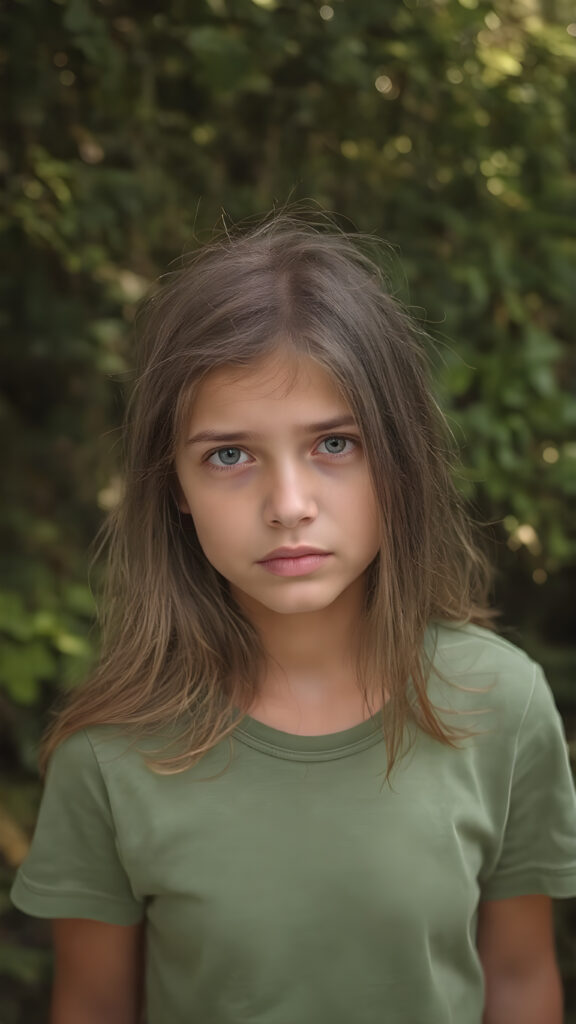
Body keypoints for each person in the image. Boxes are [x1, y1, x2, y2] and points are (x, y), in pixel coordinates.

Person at [10, 215, 576, 1024]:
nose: (288, 506)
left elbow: (520, 981)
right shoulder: (111, 755)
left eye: (335, 444)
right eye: (229, 455)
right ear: (173, 484)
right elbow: (94, 1007)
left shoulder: (501, 706)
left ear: (401, 456)